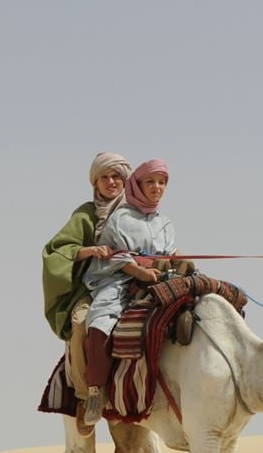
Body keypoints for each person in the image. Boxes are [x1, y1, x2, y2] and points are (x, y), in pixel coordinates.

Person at [82, 159, 176, 425]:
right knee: (99, 323)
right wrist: (138, 271)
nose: (157, 187)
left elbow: (167, 253)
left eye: (162, 182)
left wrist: (174, 261)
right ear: (137, 184)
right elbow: (112, 255)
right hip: (118, 281)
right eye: (150, 182)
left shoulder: (165, 223)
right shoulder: (121, 217)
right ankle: (95, 391)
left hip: (158, 279)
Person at [41, 152, 133, 407]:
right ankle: (86, 396)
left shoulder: (137, 212)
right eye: (104, 177)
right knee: (81, 324)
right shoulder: (86, 214)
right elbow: (57, 250)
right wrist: (91, 251)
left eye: (116, 176)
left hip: (135, 282)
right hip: (93, 287)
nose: (111, 182)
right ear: (95, 183)